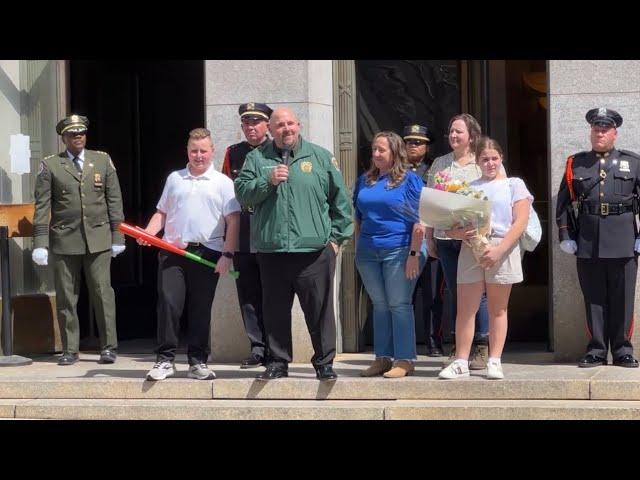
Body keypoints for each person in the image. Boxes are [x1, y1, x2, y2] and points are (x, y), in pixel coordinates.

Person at [234, 107, 353, 381]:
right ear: (270, 130)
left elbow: (341, 202)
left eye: (290, 124)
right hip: (272, 250)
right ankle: (277, 362)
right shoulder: (256, 158)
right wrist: (268, 180)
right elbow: (243, 194)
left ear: (298, 125)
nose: (286, 129)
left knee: (320, 311)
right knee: (274, 310)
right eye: (279, 125)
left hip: (313, 252)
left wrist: (336, 240)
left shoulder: (320, 157)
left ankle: (324, 363)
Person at [141, 128, 240, 381]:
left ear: (212, 151)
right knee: (169, 305)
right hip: (173, 250)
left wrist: (227, 255)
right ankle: (164, 360)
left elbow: (233, 221)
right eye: (194, 151)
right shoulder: (175, 178)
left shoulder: (223, 183)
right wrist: (149, 233)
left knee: (200, 308)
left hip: (208, 252)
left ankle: (198, 361)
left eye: (203, 151)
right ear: (187, 151)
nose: (198, 156)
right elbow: (161, 212)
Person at [32, 114, 125, 366]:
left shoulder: (102, 160)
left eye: (81, 133)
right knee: (66, 296)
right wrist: (40, 242)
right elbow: (42, 206)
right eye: (73, 134)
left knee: (102, 292)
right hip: (65, 239)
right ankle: (70, 349)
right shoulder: (51, 165)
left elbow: (114, 200)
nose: (78, 137)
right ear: (64, 138)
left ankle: (108, 347)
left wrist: (118, 234)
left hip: (98, 238)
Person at [439, 137, 532, 380]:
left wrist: (501, 249)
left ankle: (495, 359)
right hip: (471, 248)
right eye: (484, 159)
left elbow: (520, 220)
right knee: (466, 309)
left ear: (501, 158)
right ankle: (461, 360)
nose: (490, 163)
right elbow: (450, 227)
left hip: (502, 245)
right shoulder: (469, 187)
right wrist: (458, 233)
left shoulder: (514, 184)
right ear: (478, 161)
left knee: (497, 308)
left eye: (494, 158)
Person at [556, 107, 640, 368]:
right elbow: (564, 203)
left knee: (623, 298)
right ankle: (596, 350)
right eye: (596, 129)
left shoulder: (633, 162)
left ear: (614, 133)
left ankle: (623, 349)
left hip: (624, 239)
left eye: (605, 129)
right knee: (593, 298)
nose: (599, 133)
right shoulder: (576, 163)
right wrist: (566, 235)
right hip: (588, 241)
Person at [354, 131, 426, 378]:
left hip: (400, 249)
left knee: (399, 304)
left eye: (381, 150)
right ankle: (382, 358)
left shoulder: (411, 181)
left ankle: (405, 359)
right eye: (374, 149)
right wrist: (358, 246)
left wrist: (415, 254)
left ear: (395, 152)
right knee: (380, 305)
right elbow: (359, 217)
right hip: (367, 252)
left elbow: (421, 221)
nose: (375, 154)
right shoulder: (365, 180)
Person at [426, 114, 491, 369]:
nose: (453, 136)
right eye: (451, 131)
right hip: (446, 238)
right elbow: (431, 201)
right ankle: (460, 345)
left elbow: (494, 198)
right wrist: (430, 238)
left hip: (474, 239)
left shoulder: (482, 162)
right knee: (455, 291)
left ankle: (482, 345)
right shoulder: (440, 164)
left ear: (471, 136)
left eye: (459, 132)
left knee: (479, 293)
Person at [222, 102, 273, 369]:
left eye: (256, 123)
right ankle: (257, 347)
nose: (251, 128)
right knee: (249, 295)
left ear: (267, 125)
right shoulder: (234, 153)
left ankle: (275, 347)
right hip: (243, 232)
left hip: (271, 231)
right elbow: (226, 194)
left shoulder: (276, 151)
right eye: (246, 124)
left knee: (274, 294)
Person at [403, 124, 445, 357]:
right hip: (403, 240)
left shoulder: (435, 171)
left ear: (427, 146)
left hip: (430, 241)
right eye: (409, 141)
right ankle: (405, 343)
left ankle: (434, 342)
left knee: (433, 295)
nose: (413, 145)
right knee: (404, 296)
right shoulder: (396, 170)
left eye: (418, 142)